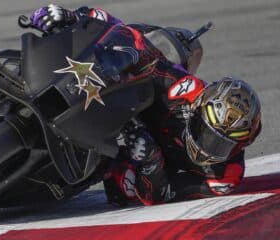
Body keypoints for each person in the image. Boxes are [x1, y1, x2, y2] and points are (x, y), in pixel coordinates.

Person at [30, 5, 262, 205]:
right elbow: (140, 46)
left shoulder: (225, 177)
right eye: (207, 134)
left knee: (124, 190)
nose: (207, 148)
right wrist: (75, 17)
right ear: (198, 108)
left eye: (222, 145)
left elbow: (163, 195)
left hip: (149, 161)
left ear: (243, 144)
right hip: (130, 108)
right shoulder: (184, 89)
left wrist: (150, 160)